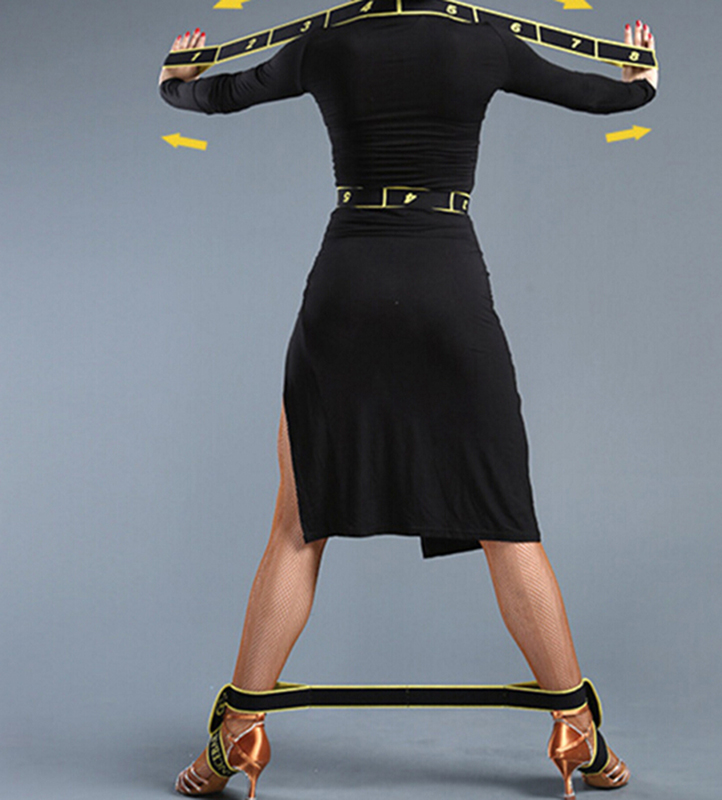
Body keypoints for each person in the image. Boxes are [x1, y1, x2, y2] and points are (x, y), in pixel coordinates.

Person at [158, 4, 657, 799]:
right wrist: (639, 78)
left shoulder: (324, 42)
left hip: (349, 281)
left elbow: (216, 96)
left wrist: (176, 80)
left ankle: (239, 734)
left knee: (298, 523)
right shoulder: (486, 41)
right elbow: (603, 97)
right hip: (445, 282)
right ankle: (576, 731)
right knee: (505, 519)